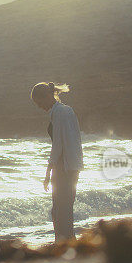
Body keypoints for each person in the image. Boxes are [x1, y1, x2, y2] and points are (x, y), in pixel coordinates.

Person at [30, 82, 83, 241]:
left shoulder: (58, 113)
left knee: (60, 210)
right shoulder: (68, 110)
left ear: (47, 97)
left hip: (63, 167)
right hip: (73, 166)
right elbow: (76, 140)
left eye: (39, 103)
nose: (40, 107)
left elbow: (58, 145)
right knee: (64, 209)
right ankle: (68, 241)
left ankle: (63, 243)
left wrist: (47, 172)